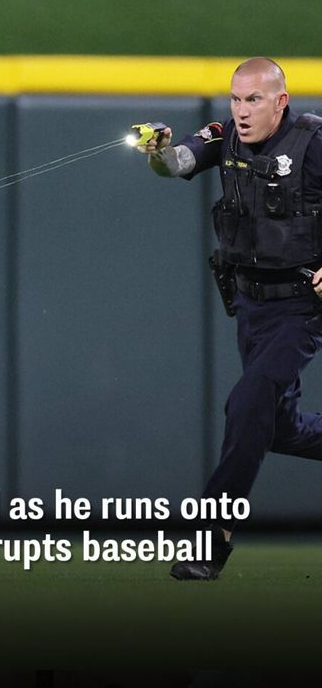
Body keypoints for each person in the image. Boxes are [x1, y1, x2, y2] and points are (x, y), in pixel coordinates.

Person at [135, 57, 322, 579]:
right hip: (251, 305)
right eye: (236, 98)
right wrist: (156, 153)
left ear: (281, 101)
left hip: (302, 307)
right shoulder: (225, 136)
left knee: (246, 403)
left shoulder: (312, 142)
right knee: (276, 428)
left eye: (254, 99)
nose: (241, 110)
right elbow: (176, 164)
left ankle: (209, 538)